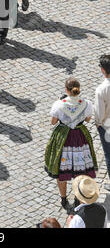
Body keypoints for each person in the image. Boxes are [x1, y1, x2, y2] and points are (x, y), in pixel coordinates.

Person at [45, 77, 98, 213]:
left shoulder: (59, 104)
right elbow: (87, 119)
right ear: (78, 90)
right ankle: (77, 198)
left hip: (64, 138)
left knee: (61, 168)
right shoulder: (86, 103)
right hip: (80, 137)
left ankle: (63, 198)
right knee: (80, 169)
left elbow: (53, 121)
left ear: (66, 90)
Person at [95, 54, 110, 192]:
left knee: (109, 154)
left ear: (103, 70)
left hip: (107, 127)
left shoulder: (101, 89)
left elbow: (99, 112)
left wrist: (98, 123)